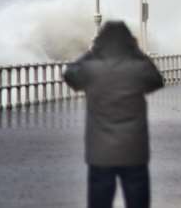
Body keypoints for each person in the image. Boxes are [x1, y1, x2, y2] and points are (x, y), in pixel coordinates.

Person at [64, 21, 164, 208]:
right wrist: (136, 51)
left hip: (100, 153)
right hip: (134, 151)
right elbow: (157, 80)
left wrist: (91, 52)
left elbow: (69, 75)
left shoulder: (91, 69)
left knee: (100, 202)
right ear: (130, 43)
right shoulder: (137, 68)